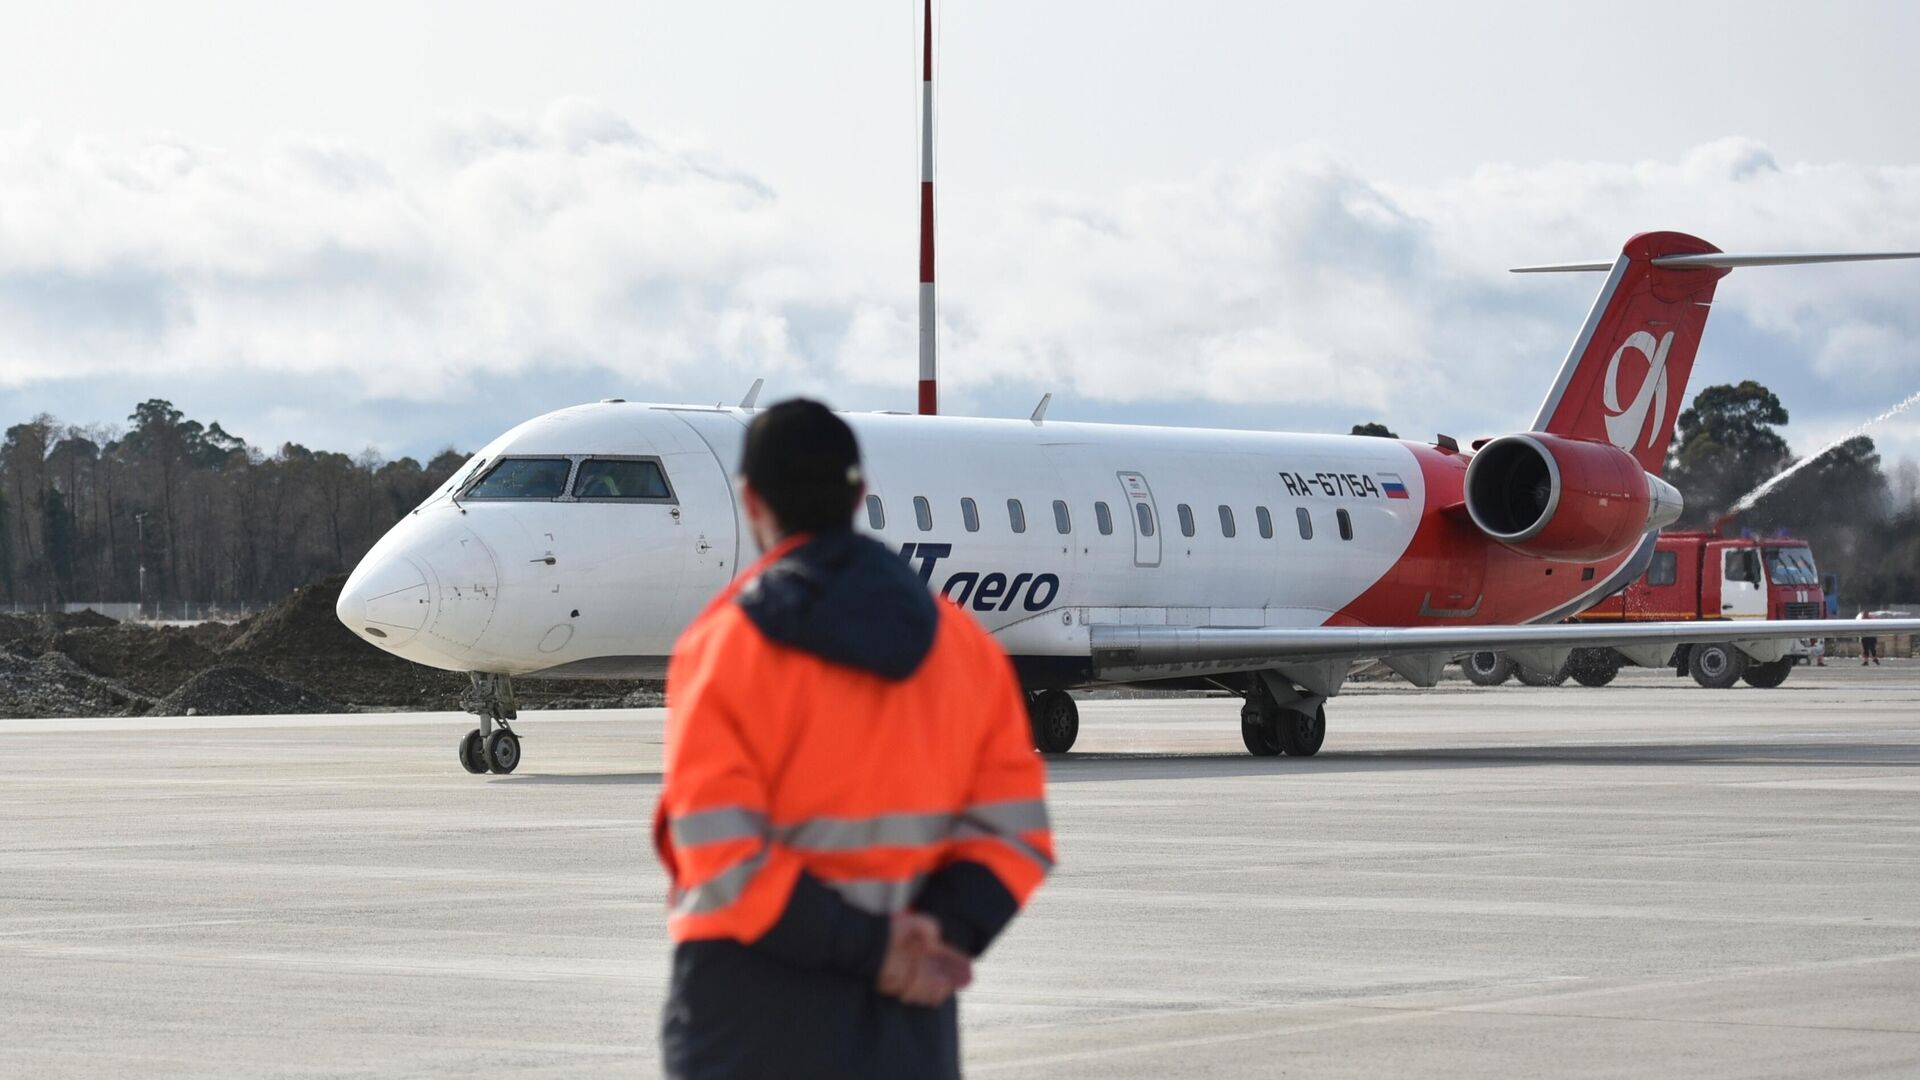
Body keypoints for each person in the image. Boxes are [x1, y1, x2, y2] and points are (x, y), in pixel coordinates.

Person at [655, 399, 1054, 1080]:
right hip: (906, 1017)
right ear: (859, 496)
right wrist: (936, 940)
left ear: (752, 501)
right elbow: (1016, 836)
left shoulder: (725, 646)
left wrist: (873, 948)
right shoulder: (965, 646)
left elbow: (720, 858)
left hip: (750, 1011)